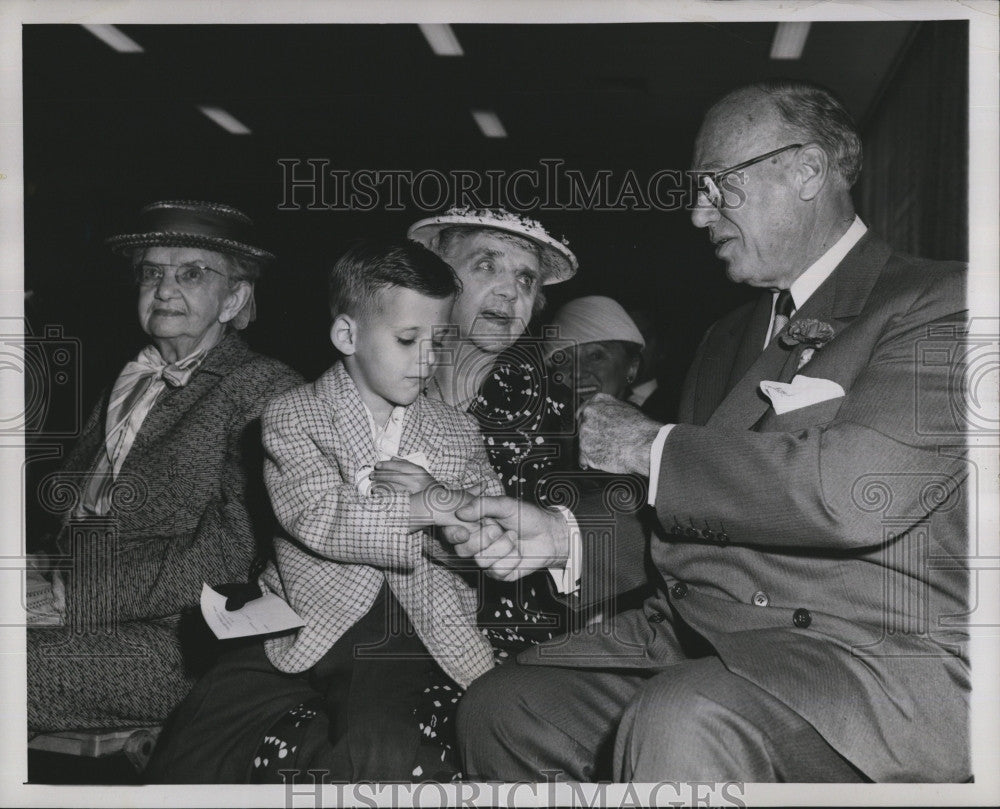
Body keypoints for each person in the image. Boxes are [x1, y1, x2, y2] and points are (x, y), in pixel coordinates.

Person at [451, 79, 969, 783]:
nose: (698, 215)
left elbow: (858, 494)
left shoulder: (944, 302)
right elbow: (690, 513)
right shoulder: (727, 337)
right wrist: (560, 535)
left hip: (862, 669)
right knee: (504, 707)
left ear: (807, 171)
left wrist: (646, 443)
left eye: (716, 186)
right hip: (703, 644)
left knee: (681, 714)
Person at [146, 238, 507, 783]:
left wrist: (449, 510)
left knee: (379, 746)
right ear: (347, 335)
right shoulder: (293, 416)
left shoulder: (459, 432)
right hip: (301, 610)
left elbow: (490, 532)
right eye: (409, 339)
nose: (428, 360)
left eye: (439, 341)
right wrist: (417, 506)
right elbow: (318, 515)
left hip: (412, 623)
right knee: (198, 730)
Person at [27, 200, 301, 734]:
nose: (165, 288)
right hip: (73, 598)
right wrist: (36, 568)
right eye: (152, 273)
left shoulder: (266, 389)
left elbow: (236, 552)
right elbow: (69, 515)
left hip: (184, 638)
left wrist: (75, 595)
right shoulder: (128, 380)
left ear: (235, 298)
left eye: (192, 274)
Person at [402, 207, 581, 777]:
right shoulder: (384, 382)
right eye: (486, 265)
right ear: (434, 281)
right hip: (381, 621)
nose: (510, 291)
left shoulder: (557, 410)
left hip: (505, 642)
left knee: (394, 741)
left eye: (526, 279)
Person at [544, 295, 645, 409]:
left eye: (595, 356)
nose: (577, 373)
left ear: (632, 368)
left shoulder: (653, 424)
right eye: (564, 360)